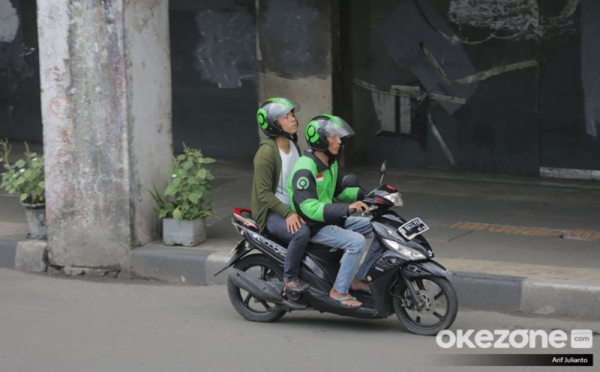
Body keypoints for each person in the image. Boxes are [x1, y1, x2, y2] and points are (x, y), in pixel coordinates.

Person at [287, 114, 383, 307]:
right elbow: (307, 207)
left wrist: (366, 195)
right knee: (356, 242)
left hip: (332, 218)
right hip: (314, 224)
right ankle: (338, 291)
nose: (340, 141)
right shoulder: (305, 168)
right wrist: (347, 208)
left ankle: (358, 279)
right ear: (320, 139)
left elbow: (340, 191)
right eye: (334, 136)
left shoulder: (330, 163)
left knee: (380, 228)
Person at [251, 97, 312, 294]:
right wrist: (287, 214)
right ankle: (290, 279)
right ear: (272, 124)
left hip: (292, 206)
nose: (292, 119)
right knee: (301, 232)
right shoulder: (266, 153)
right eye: (286, 116)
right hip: (271, 213)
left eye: (292, 114)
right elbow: (263, 193)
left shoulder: (294, 145)